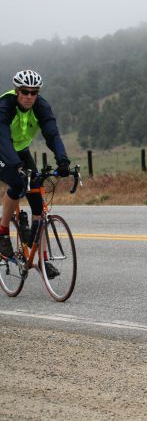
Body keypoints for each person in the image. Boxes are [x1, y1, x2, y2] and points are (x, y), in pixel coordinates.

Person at [0, 70, 71, 278]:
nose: (30, 96)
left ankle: (42, 259)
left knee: (38, 200)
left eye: (34, 92)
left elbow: (52, 133)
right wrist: (15, 166)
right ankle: (3, 232)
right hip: (2, 149)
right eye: (25, 92)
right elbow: (2, 137)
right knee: (18, 183)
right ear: (17, 90)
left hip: (21, 151)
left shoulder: (41, 106)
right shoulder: (5, 105)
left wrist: (63, 160)